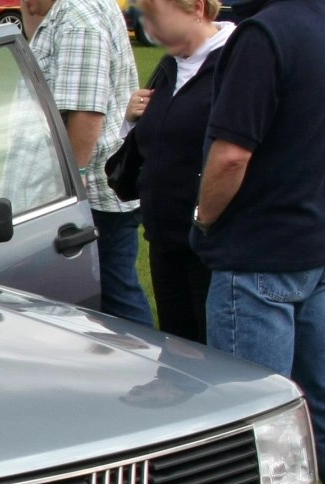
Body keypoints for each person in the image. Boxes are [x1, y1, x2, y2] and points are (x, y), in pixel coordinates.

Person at [190, 0, 325, 484]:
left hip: (259, 251)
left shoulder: (262, 35)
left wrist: (203, 218)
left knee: (252, 408)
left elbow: (231, 156)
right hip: (319, 240)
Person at [20, 0, 154, 327]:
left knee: (114, 298)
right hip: (93, 190)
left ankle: (144, 357)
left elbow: (87, 113)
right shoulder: (73, 11)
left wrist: (71, 184)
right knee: (107, 293)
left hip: (89, 195)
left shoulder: (79, 18)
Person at [120, 0, 233, 343]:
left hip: (210, 243)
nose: (151, 29)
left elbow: (234, 152)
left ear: (196, 9)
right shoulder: (171, 64)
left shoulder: (234, 62)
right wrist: (132, 118)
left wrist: (204, 220)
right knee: (175, 343)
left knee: (212, 349)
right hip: (163, 237)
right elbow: (151, 142)